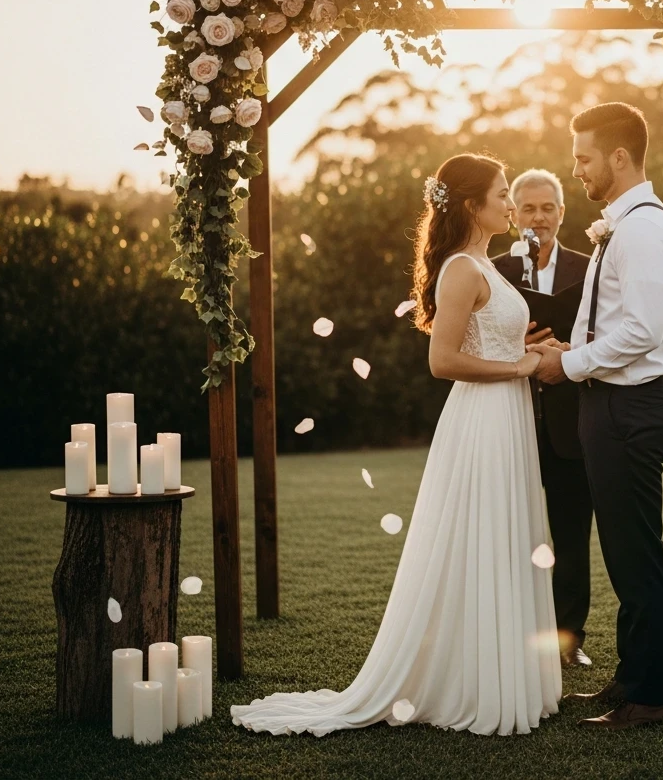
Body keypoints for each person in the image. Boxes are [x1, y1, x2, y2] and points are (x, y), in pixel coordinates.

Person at [231, 153, 562, 737]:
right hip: (483, 422)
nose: (511, 204)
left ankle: (498, 673)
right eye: (503, 194)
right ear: (471, 205)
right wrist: (525, 365)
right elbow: (444, 361)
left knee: (502, 536)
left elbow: (491, 338)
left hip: (507, 418)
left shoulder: (485, 263)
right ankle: (472, 684)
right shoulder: (462, 267)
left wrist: (529, 346)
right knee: (481, 536)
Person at [531, 102, 663, 730]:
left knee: (636, 553)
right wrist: (575, 351)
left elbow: (644, 333)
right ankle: (629, 678)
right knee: (623, 553)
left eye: (584, 158)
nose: (577, 171)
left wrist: (566, 367)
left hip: (630, 405)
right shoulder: (621, 224)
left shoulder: (644, 228)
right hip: (609, 399)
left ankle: (652, 697)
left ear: (618, 157)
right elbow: (618, 325)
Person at [492, 169, 595, 670]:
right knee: (508, 532)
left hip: (570, 422)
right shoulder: (492, 270)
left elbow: (609, 332)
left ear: (561, 212)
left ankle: (569, 641)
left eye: (547, 207)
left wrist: (573, 353)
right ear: (512, 215)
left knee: (572, 535)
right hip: (505, 419)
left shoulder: (591, 265)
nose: (538, 217)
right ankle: (508, 636)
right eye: (527, 208)